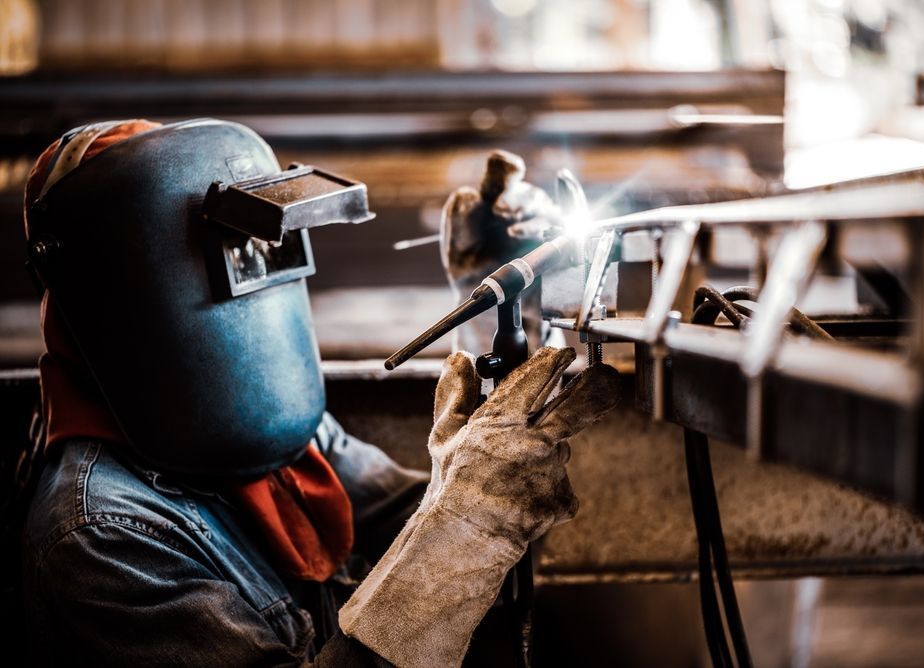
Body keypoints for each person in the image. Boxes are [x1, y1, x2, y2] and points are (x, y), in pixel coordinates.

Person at [18, 119, 619, 666]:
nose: (247, 287)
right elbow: (451, 527)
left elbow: (416, 518)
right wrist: (467, 523)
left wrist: (502, 322)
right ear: (124, 294)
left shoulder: (257, 425)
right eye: (223, 261)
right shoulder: (104, 541)